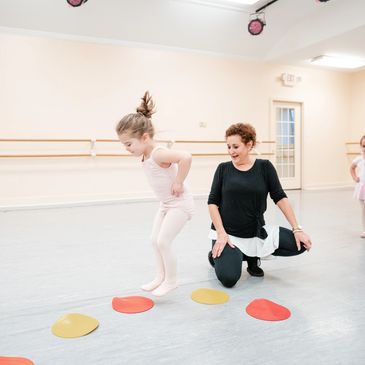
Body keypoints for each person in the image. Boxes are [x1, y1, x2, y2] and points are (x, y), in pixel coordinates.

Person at [207, 123, 312, 288]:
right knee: (229, 278)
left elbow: (280, 197)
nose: (231, 151)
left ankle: (251, 256)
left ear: (249, 145)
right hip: (228, 235)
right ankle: (218, 255)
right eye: (228, 146)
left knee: (301, 244)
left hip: (255, 232)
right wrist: (221, 233)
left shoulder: (265, 167)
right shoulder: (223, 169)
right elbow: (212, 203)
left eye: (235, 146)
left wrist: (296, 229)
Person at [116, 91, 194, 296]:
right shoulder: (146, 155)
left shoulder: (158, 153)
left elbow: (186, 157)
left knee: (163, 241)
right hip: (166, 205)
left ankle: (172, 280)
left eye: (128, 144)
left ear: (145, 137)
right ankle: (160, 277)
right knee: (154, 240)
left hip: (180, 204)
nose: (126, 149)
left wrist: (179, 181)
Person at [350, 135, 365, 238]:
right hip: (362, 188)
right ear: (361, 146)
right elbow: (351, 168)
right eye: (364, 146)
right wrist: (355, 177)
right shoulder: (359, 159)